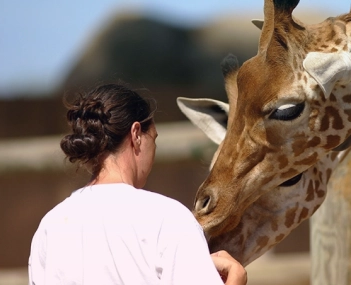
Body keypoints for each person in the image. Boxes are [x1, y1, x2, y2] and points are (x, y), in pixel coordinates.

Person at [28, 83, 247, 285]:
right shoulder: (168, 218)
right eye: (154, 138)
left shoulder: (51, 226)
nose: (154, 150)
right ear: (136, 135)